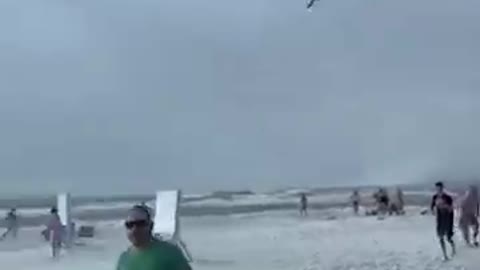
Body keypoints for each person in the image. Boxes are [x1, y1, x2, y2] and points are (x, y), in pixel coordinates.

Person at [116, 205, 192, 270]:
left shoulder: (169, 253)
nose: (135, 229)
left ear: (151, 225)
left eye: (140, 224)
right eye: (130, 225)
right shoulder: (124, 258)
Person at [431, 181, 456, 260]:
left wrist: (445, 207)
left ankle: (453, 248)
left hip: (447, 219)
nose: (438, 189)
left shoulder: (447, 197)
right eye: (437, 188)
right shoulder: (435, 197)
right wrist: (433, 211)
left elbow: (451, 209)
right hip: (440, 219)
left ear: (442, 188)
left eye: (440, 188)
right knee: (440, 237)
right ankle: (445, 255)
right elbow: (432, 206)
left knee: (448, 238)